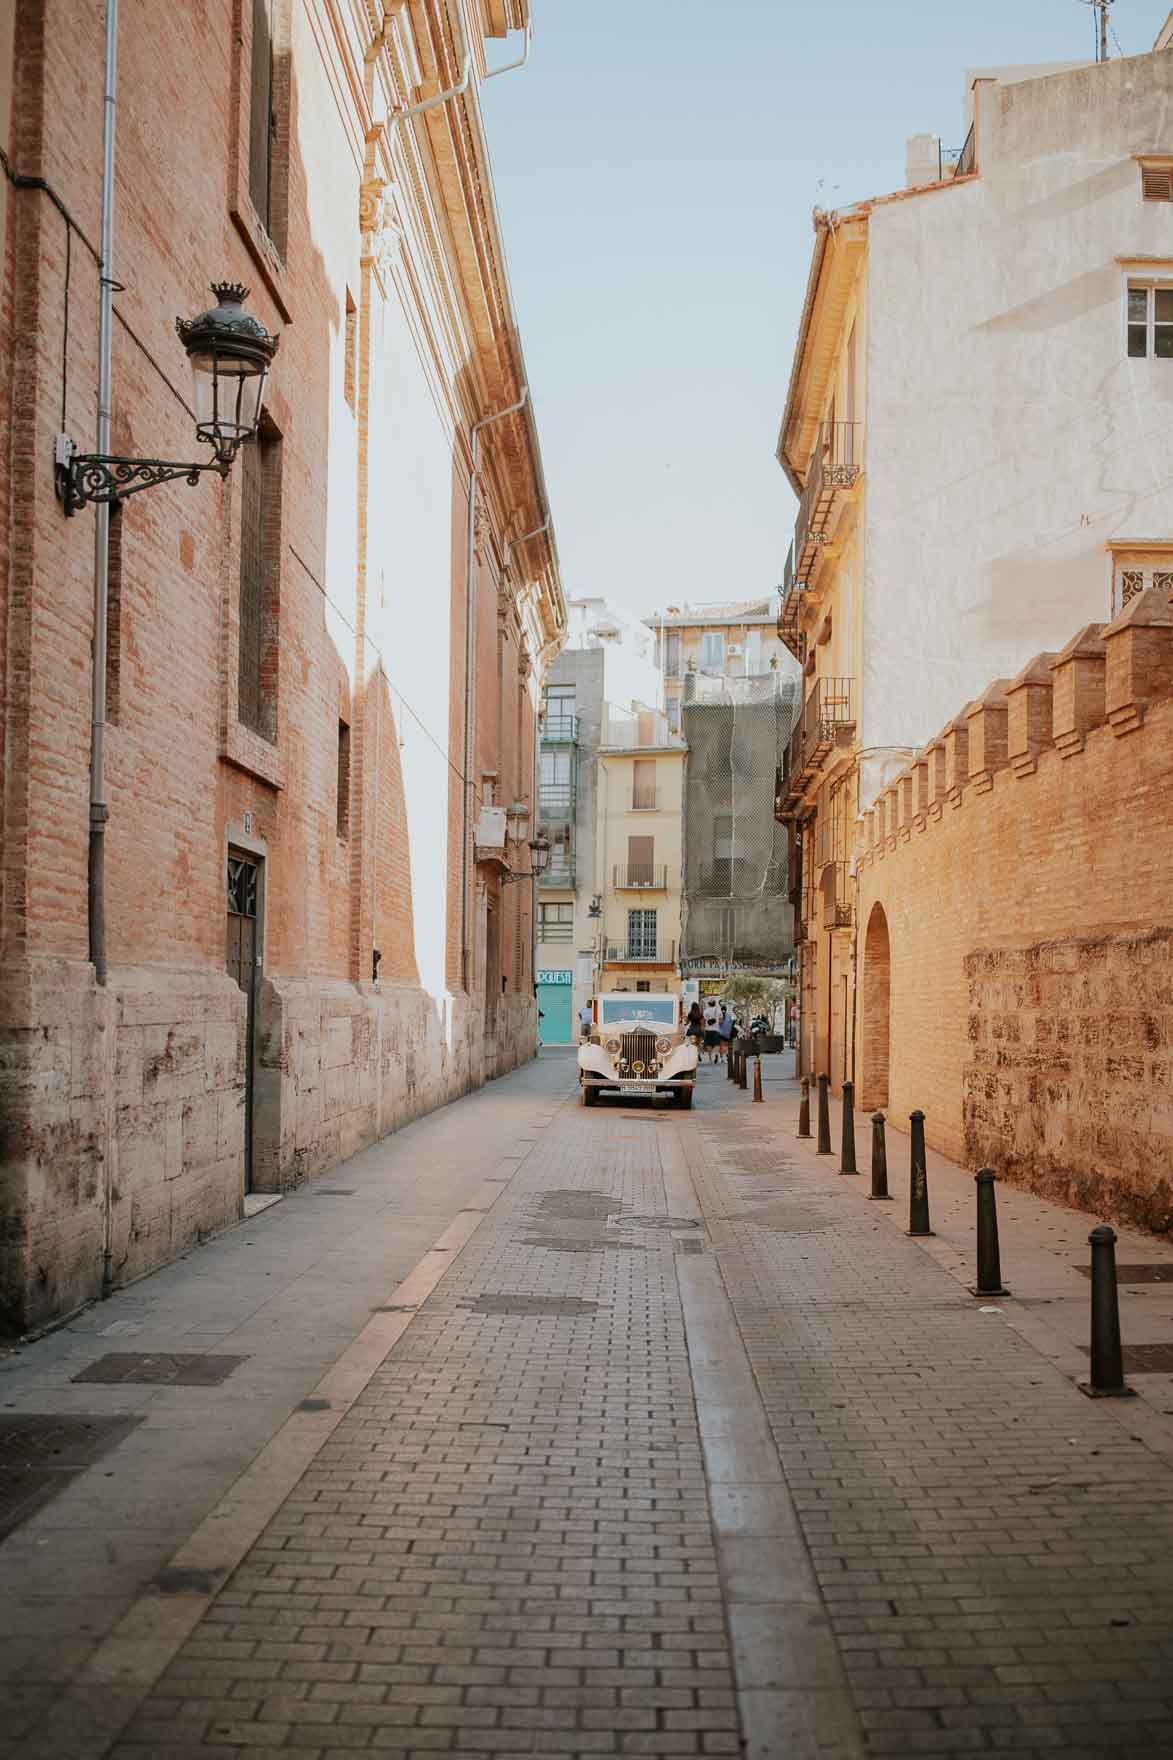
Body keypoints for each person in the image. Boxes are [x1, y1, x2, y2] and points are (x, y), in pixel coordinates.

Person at [702, 996, 721, 1062]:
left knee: (708, 1044)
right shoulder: (718, 1010)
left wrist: (704, 1028)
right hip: (716, 1029)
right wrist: (718, 1023)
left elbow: (704, 1021)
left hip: (708, 1029)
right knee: (716, 1044)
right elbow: (721, 1021)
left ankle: (710, 1058)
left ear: (708, 1004)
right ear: (715, 1003)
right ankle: (716, 1054)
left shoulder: (705, 1011)